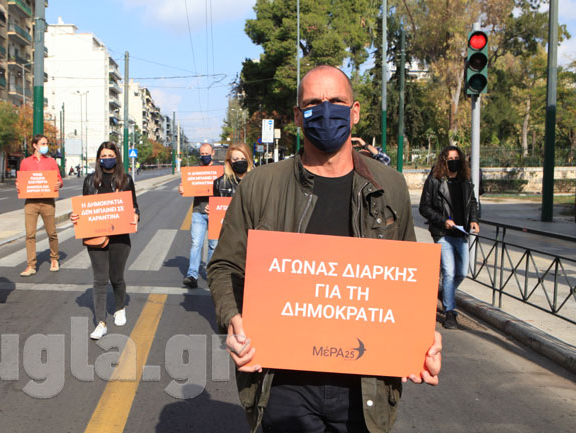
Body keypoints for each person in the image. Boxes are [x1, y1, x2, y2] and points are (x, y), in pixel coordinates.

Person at [208, 65, 442, 433]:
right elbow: (224, 266)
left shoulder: (390, 187)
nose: (326, 110)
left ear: (355, 111)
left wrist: (421, 338)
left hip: (364, 389)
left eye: (336, 101)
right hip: (283, 383)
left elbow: (406, 283)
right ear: (299, 116)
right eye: (314, 103)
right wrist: (233, 319)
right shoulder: (259, 186)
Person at [70, 142, 139, 339]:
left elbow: (135, 206)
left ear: (116, 157)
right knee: (100, 280)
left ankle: (119, 307)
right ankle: (100, 322)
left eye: (110, 155)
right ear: (99, 159)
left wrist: (135, 215)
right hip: (96, 237)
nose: (107, 158)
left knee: (116, 278)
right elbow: (84, 209)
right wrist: (76, 217)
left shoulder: (126, 181)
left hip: (120, 239)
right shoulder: (90, 181)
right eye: (103, 155)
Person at [419, 145, 480, 329]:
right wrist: (443, 220)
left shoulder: (465, 181)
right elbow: (424, 207)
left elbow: (473, 203)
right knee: (449, 272)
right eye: (449, 159)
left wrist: (474, 220)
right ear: (443, 161)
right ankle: (450, 313)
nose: (453, 161)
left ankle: (445, 293)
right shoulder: (435, 181)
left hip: (461, 234)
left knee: (462, 272)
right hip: (443, 233)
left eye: (456, 158)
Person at [17, 134, 63, 276]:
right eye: (43, 143)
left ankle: (54, 258)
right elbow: (21, 180)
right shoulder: (25, 162)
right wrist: (18, 186)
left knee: (51, 232)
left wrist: (58, 184)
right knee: (30, 234)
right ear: (35, 145)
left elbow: (59, 180)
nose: (45, 146)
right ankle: (31, 265)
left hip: (47, 201)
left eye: (46, 143)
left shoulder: (51, 162)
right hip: (31, 202)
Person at [178, 143, 218, 288]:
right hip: (197, 211)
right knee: (196, 244)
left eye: (207, 153)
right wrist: (182, 189)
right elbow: (186, 188)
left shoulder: (219, 170)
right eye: (202, 154)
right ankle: (192, 275)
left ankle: (211, 274)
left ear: (213, 153)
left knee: (213, 245)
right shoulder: (194, 172)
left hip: (215, 212)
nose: (204, 156)